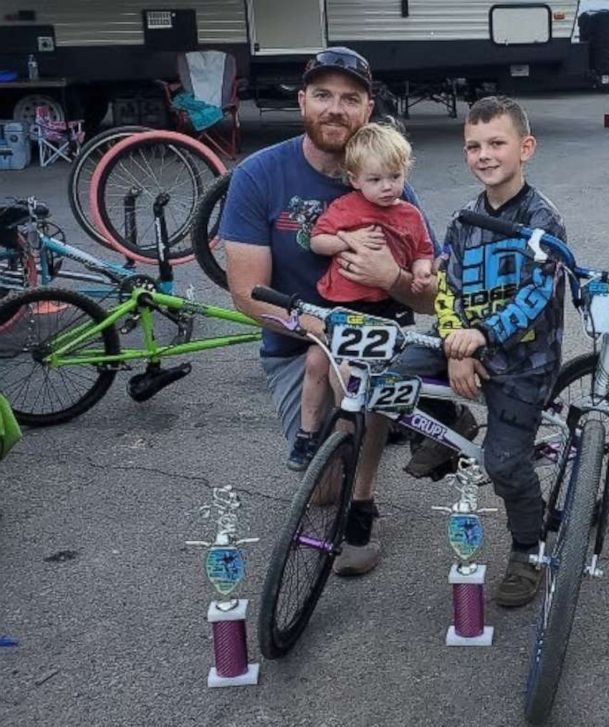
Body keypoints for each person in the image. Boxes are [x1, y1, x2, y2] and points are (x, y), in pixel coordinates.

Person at [220, 47, 439, 576]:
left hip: (375, 336)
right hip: (299, 342)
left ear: (367, 110)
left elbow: (431, 299)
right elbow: (247, 293)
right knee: (321, 492)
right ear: (302, 102)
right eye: (322, 95)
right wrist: (326, 329)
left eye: (350, 98)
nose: (335, 109)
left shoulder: (390, 184)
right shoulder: (258, 175)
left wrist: (394, 279)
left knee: (359, 401)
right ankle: (371, 432)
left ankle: (363, 503)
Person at [393, 95, 566, 607]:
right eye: (474, 146)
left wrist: (484, 336)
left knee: (507, 464)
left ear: (525, 148)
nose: (484, 155)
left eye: (497, 143)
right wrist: (455, 346)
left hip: (523, 361)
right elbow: (445, 288)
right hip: (466, 344)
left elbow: (537, 297)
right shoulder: (465, 218)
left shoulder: (543, 220)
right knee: (394, 375)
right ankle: (453, 429)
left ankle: (527, 552)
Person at [288, 122, 436, 471]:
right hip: (342, 304)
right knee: (316, 362)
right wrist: (348, 240)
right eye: (375, 179)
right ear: (354, 179)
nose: (387, 186)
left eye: (394, 177)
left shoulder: (409, 214)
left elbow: (423, 250)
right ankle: (307, 434)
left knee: (381, 370)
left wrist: (421, 271)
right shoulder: (345, 208)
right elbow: (317, 241)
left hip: (386, 307)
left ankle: (375, 428)